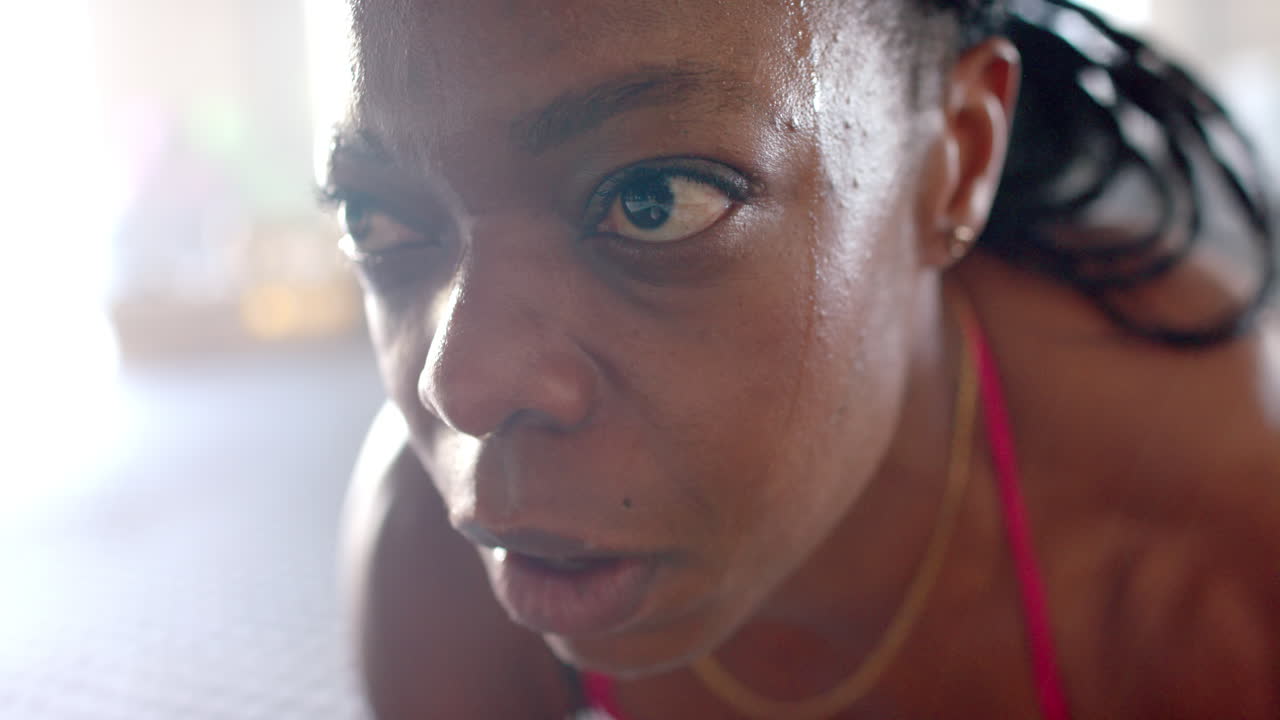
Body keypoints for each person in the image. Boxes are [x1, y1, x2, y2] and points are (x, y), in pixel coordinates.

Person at [325, 0, 1280, 717]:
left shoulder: (1219, 524)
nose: (463, 389)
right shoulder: (432, 543)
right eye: (380, 220)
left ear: (955, 157)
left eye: (655, 199)